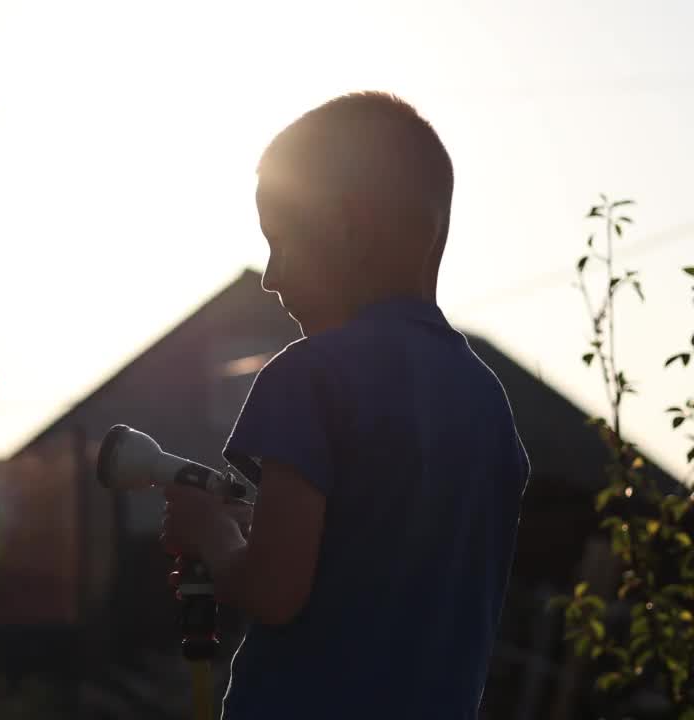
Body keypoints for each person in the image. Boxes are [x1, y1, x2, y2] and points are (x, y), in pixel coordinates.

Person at [160, 92, 530, 719]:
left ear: (350, 228)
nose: (270, 277)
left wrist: (216, 535)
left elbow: (275, 591)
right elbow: (376, 562)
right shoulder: (488, 404)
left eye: (281, 242)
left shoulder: (309, 377)